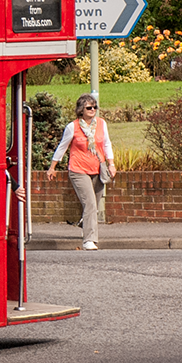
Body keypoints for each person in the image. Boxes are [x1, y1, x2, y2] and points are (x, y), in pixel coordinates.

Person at [46, 93, 115, 250]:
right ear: (81, 110)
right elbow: (62, 147)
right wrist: (52, 167)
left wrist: (111, 164)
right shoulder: (73, 127)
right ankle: (89, 240)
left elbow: (106, 144)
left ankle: (85, 222)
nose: (92, 110)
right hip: (78, 170)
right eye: (88, 107)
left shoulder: (102, 124)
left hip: (98, 169)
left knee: (93, 205)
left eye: (94, 107)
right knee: (90, 203)